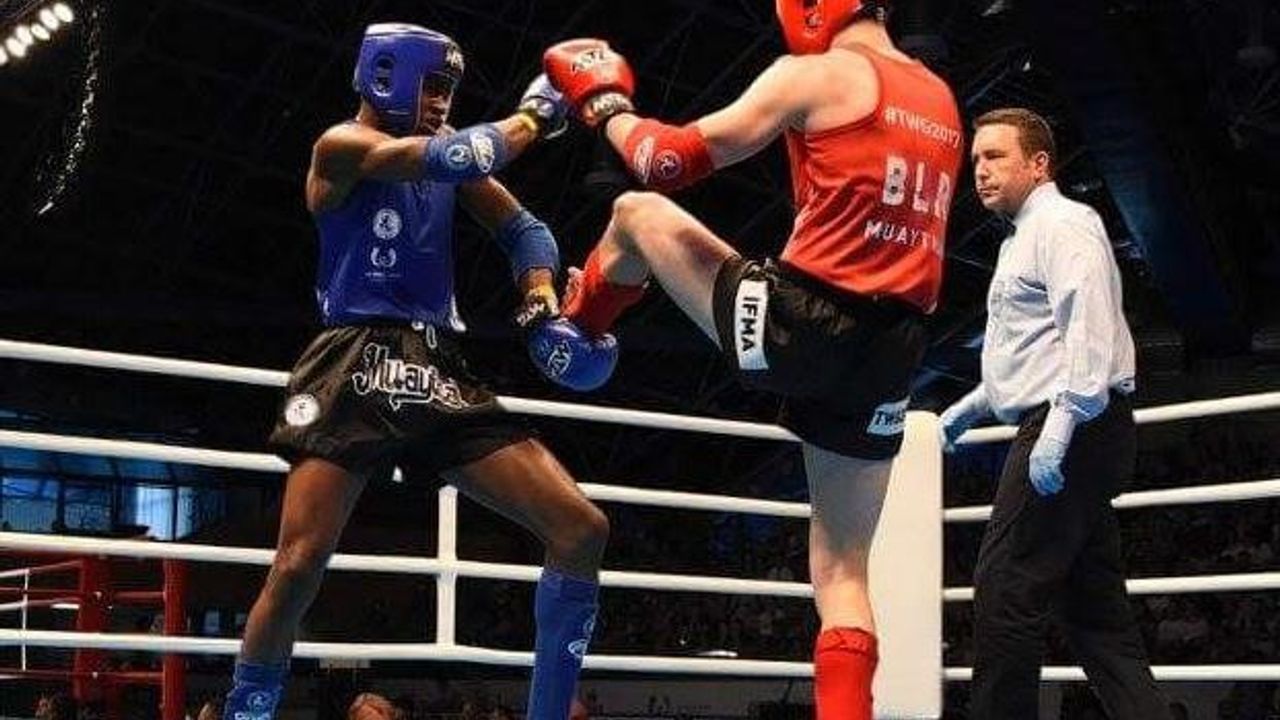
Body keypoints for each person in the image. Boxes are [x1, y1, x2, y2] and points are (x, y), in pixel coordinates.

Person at [538, 2, 963, 718]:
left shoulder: (817, 74)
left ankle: (574, 334)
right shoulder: (941, 98)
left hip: (798, 324)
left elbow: (665, 159)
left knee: (636, 214)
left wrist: (604, 104)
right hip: (893, 352)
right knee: (843, 573)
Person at [220, 23, 610, 720]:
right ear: (385, 75)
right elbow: (451, 157)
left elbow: (526, 232)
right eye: (432, 86)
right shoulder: (341, 146)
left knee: (581, 529)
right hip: (352, 361)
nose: (441, 102)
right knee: (299, 564)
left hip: (436, 368)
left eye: (449, 90)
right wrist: (535, 114)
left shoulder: (448, 154)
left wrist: (540, 298)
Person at [938, 107, 1167, 719]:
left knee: (1006, 588)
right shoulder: (1020, 240)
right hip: (1075, 421)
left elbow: (1089, 328)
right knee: (1096, 615)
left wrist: (1063, 425)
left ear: (1039, 164)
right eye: (976, 159)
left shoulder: (1064, 223)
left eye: (995, 156)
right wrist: (971, 407)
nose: (979, 171)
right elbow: (1034, 350)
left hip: (1075, 423)